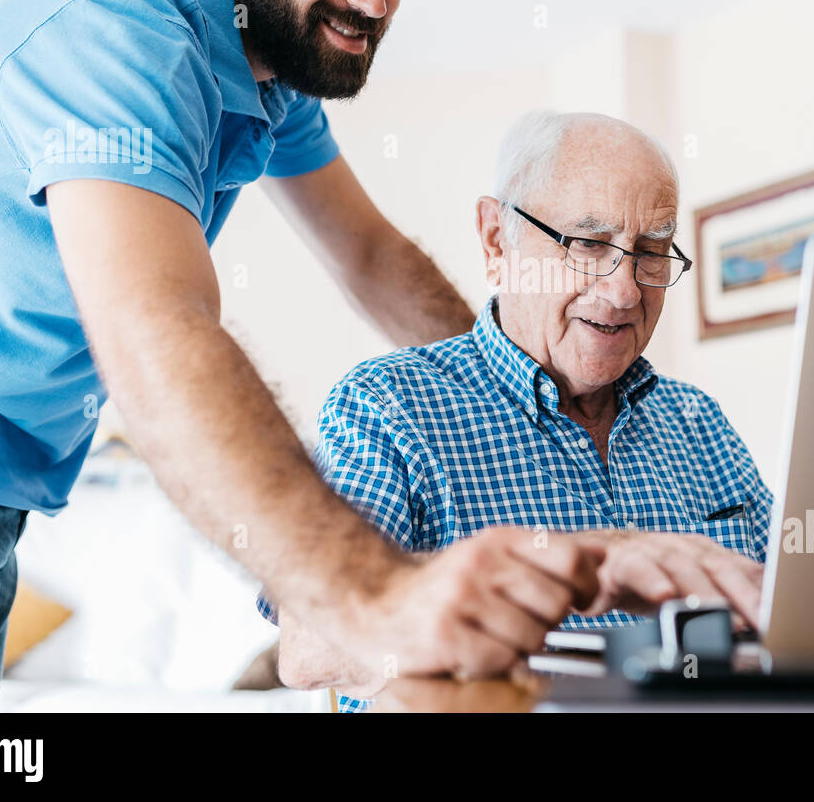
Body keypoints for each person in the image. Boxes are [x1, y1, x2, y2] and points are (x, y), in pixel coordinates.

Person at [0, 0, 603, 712]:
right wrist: (372, 593)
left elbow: (370, 256)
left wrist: (536, 413)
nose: (375, 1)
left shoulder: (272, 71)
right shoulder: (119, 42)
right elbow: (159, 333)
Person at [268, 110, 774, 709]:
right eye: (587, 244)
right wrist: (582, 569)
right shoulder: (387, 406)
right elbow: (310, 647)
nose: (624, 291)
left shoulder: (699, 422)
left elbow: (793, 611)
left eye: (651, 251)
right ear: (496, 239)